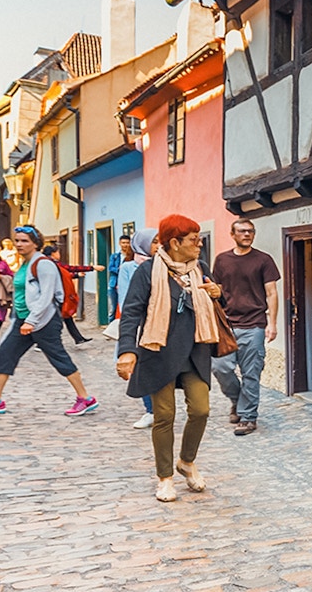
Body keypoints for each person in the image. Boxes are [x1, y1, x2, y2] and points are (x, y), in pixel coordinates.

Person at [117, 215, 220, 502]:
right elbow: (131, 312)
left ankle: (186, 461)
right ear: (174, 243)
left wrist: (217, 293)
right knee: (164, 416)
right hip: (158, 352)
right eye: (193, 240)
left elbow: (217, 302)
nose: (199, 244)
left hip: (195, 351)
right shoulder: (148, 271)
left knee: (201, 410)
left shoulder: (200, 268)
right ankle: (164, 478)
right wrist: (127, 350)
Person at [0, 225, 98, 416]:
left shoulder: (43, 264)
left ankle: (85, 398)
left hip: (43, 321)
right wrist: (19, 318)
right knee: (5, 354)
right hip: (23, 320)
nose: (19, 244)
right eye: (17, 240)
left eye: (24, 241)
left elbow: (46, 296)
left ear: (35, 243)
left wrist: (32, 321)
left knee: (58, 357)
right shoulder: (25, 264)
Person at [209, 218, 280, 436]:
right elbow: (216, 292)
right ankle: (237, 400)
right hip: (227, 325)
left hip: (254, 324)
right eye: (242, 231)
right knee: (220, 367)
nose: (247, 234)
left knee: (251, 373)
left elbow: (272, 293)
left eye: (250, 231)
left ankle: (248, 417)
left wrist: (272, 323)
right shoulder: (222, 260)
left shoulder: (263, 260)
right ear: (232, 234)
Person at [118, 228, 159, 429]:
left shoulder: (166, 266)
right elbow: (127, 299)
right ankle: (150, 410)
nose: (158, 246)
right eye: (154, 242)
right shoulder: (129, 267)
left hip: (159, 324)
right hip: (140, 326)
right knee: (141, 368)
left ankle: (161, 408)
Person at [40, 245, 100, 345]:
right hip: (55, 295)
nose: (59, 254)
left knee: (67, 317)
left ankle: (78, 338)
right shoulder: (52, 264)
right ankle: (42, 342)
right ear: (53, 253)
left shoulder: (47, 263)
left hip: (54, 295)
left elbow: (63, 275)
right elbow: (70, 269)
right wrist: (92, 268)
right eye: (58, 252)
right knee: (54, 320)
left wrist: (76, 275)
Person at [108, 234, 131, 321]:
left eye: (127, 243)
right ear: (119, 243)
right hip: (114, 284)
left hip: (126, 285)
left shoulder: (131, 256)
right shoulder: (115, 256)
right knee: (113, 308)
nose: (125, 245)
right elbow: (110, 268)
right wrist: (120, 269)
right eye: (123, 243)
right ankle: (111, 325)